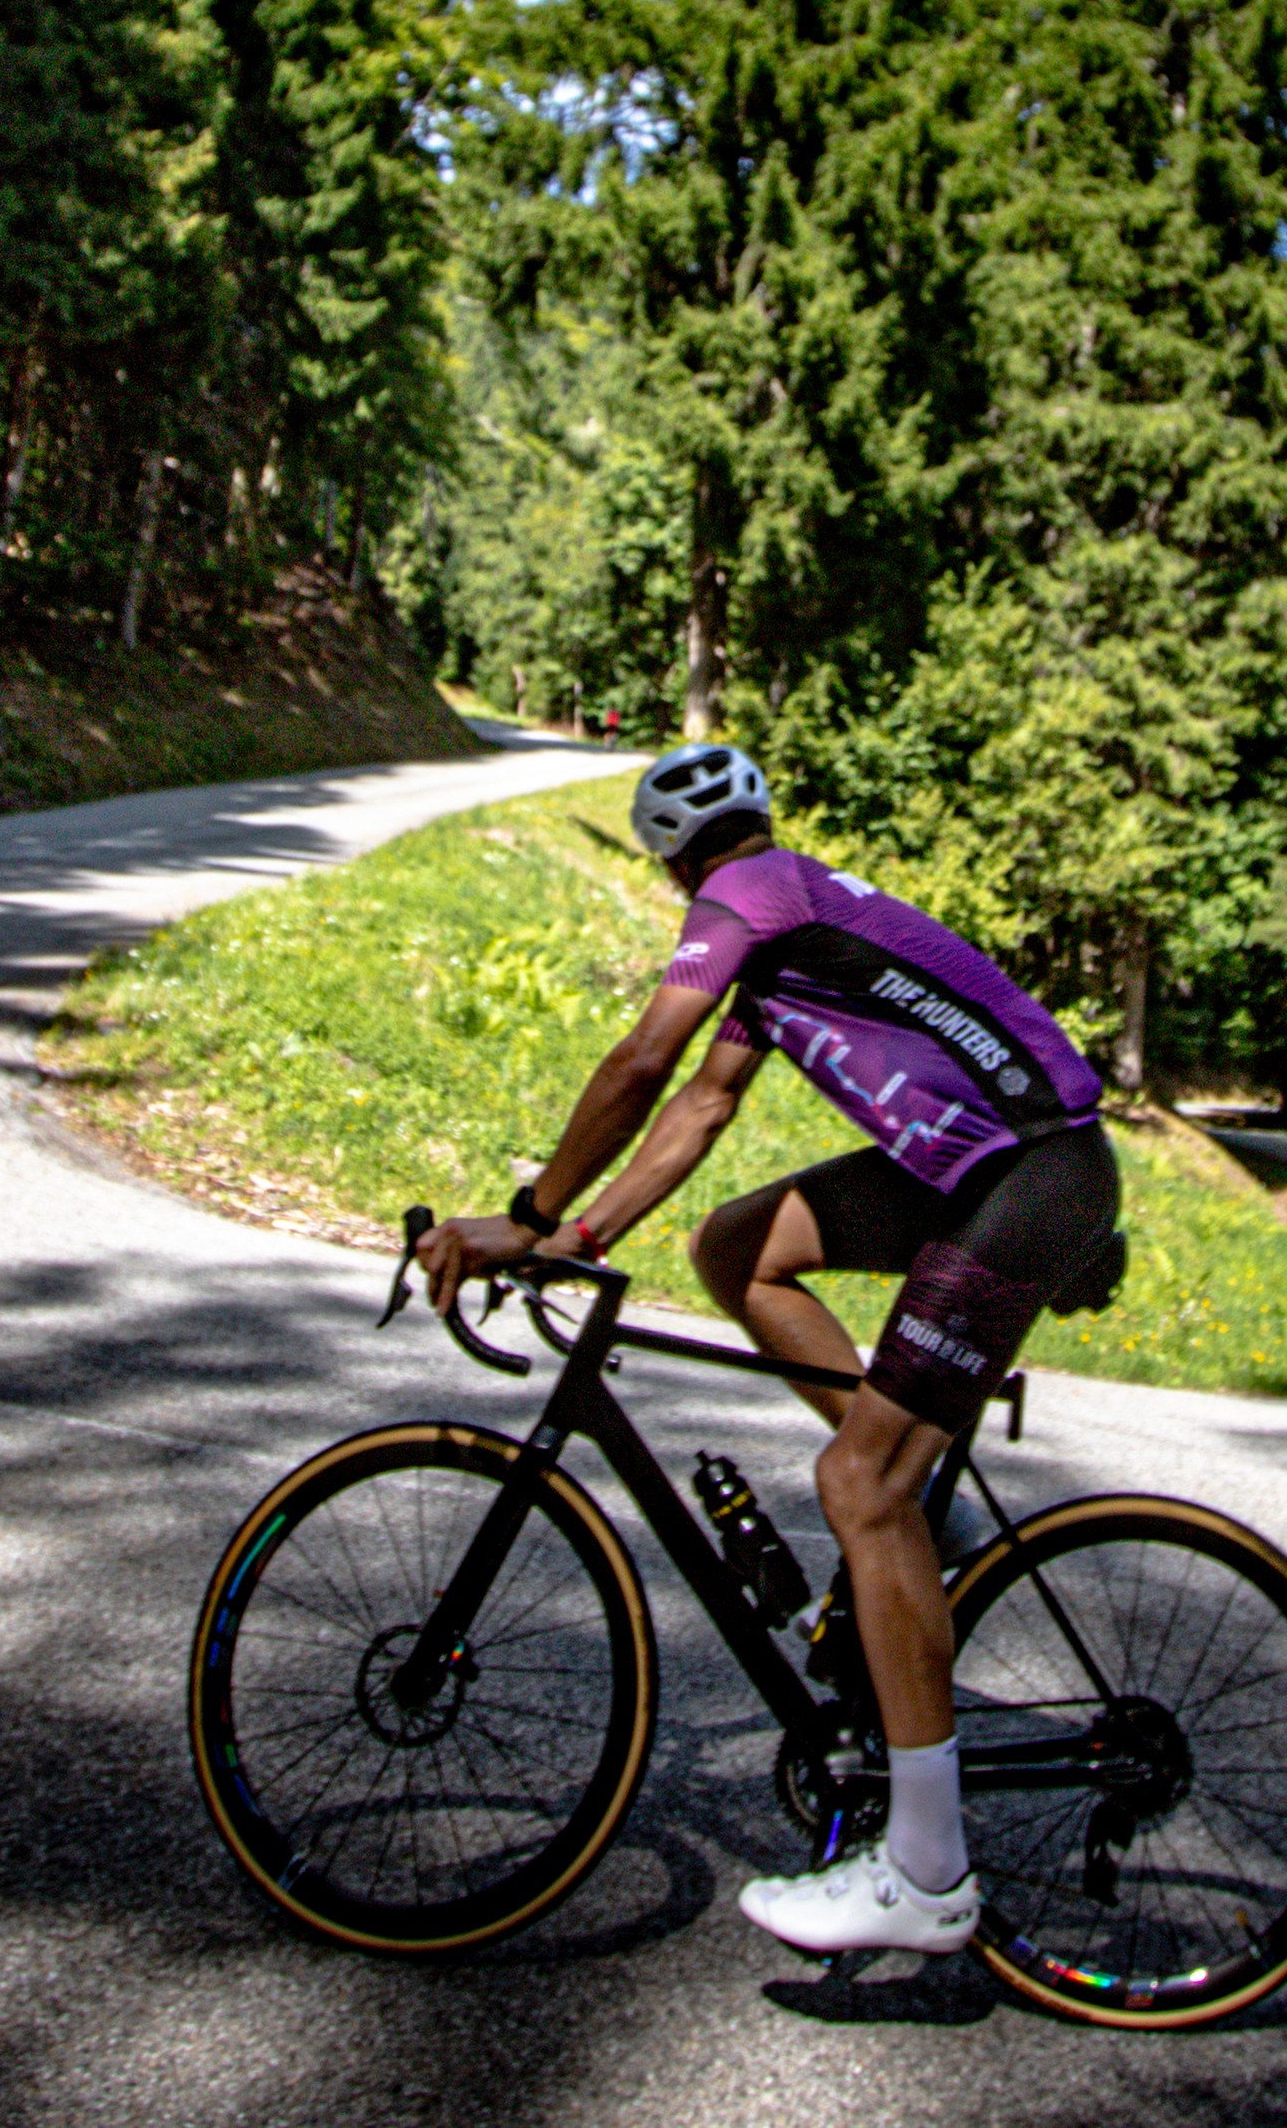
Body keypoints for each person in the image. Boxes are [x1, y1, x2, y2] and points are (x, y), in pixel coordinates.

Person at [418, 742, 1121, 1956]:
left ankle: (926, 1874)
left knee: (857, 1484)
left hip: (1026, 1178)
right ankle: (924, 1507)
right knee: (734, 1246)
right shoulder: (789, 927)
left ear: (675, 860)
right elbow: (698, 1107)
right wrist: (580, 1236)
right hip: (985, 1175)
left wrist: (525, 1218)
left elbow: (645, 1063)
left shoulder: (751, 896)